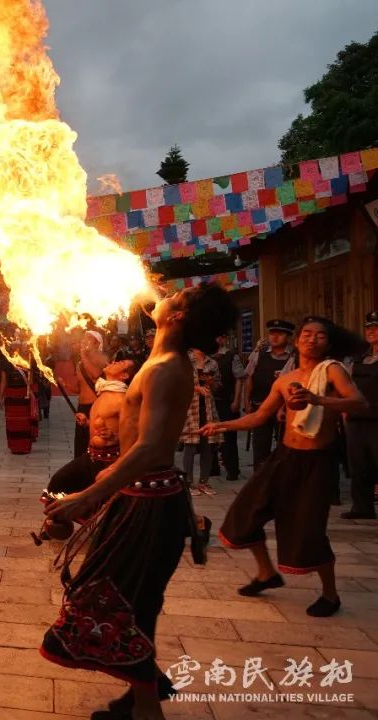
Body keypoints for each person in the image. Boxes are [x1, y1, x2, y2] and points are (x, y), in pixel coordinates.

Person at [41, 283, 239, 720]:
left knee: (121, 603)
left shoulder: (167, 367)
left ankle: (147, 711)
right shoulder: (163, 357)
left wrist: (87, 496)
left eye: (176, 296)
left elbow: (151, 449)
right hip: (139, 494)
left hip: (150, 504)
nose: (165, 293)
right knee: (126, 601)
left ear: (177, 318)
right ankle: (140, 698)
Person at [207, 316, 366, 617]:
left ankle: (331, 595)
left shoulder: (332, 371)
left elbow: (359, 402)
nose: (311, 339)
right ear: (297, 341)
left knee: (309, 531)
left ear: (328, 343)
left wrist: (318, 399)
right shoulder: (284, 380)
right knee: (245, 513)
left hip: (317, 462)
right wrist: (221, 425)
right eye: (306, 334)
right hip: (284, 457)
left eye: (320, 336)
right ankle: (266, 573)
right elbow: (258, 417)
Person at [44, 358, 135, 503]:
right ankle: (66, 522)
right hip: (91, 457)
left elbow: (135, 433)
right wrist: (87, 422)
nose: (116, 362)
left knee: (106, 503)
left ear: (124, 376)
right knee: (57, 485)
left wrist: (116, 437)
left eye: (122, 363)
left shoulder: (123, 400)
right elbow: (104, 423)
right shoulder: (102, 394)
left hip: (109, 462)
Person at [243, 319, 296, 467]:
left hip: (285, 411)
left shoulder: (294, 357)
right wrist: (247, 402)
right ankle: (260, 481)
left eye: (280, 334)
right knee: (260, 448)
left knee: (285, 449)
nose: (275, 337)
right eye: (272, 333)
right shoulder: (258, 354)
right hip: (260, 406)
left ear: (288, 336)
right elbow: (249, 378)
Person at [343, 311, 378, 519]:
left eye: (375, 328)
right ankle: (362, 507)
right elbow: (345, 384)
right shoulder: (358, 358)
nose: (371, 331)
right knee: (359, 464)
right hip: (357, 418)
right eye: (368, 328)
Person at [181, 348, 221, 497]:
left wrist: (211, 383)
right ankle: (189, 482)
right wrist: (195, 388)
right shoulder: (185, 360)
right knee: (190, 445)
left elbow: (217, 386)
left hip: (208, 408)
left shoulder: (213, 363)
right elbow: (177, 383)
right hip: (191, 408)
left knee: (208, 445)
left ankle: (204, 481)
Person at [209, 334, 246, 482]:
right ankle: (213, 468)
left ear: (223, 339)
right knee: (210, 436)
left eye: (219, 337)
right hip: (210, 402)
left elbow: (239, 378)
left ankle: (232, 470)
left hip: (227, 400)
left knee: (229, 437)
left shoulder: (231, 356)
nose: (216, 340)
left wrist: (237, 400)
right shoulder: (206, 356)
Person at [73, 330, 108, 460]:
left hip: (94, 407)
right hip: (82, 407)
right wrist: (64, 385)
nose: (84, 341)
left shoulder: (101, 358)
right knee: (80, 443)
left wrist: (83, 355)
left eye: (88, 339)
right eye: (84, 338)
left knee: (94, 442)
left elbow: (95, 375)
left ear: (97, 343)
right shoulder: (80, 363)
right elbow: (78, 388)